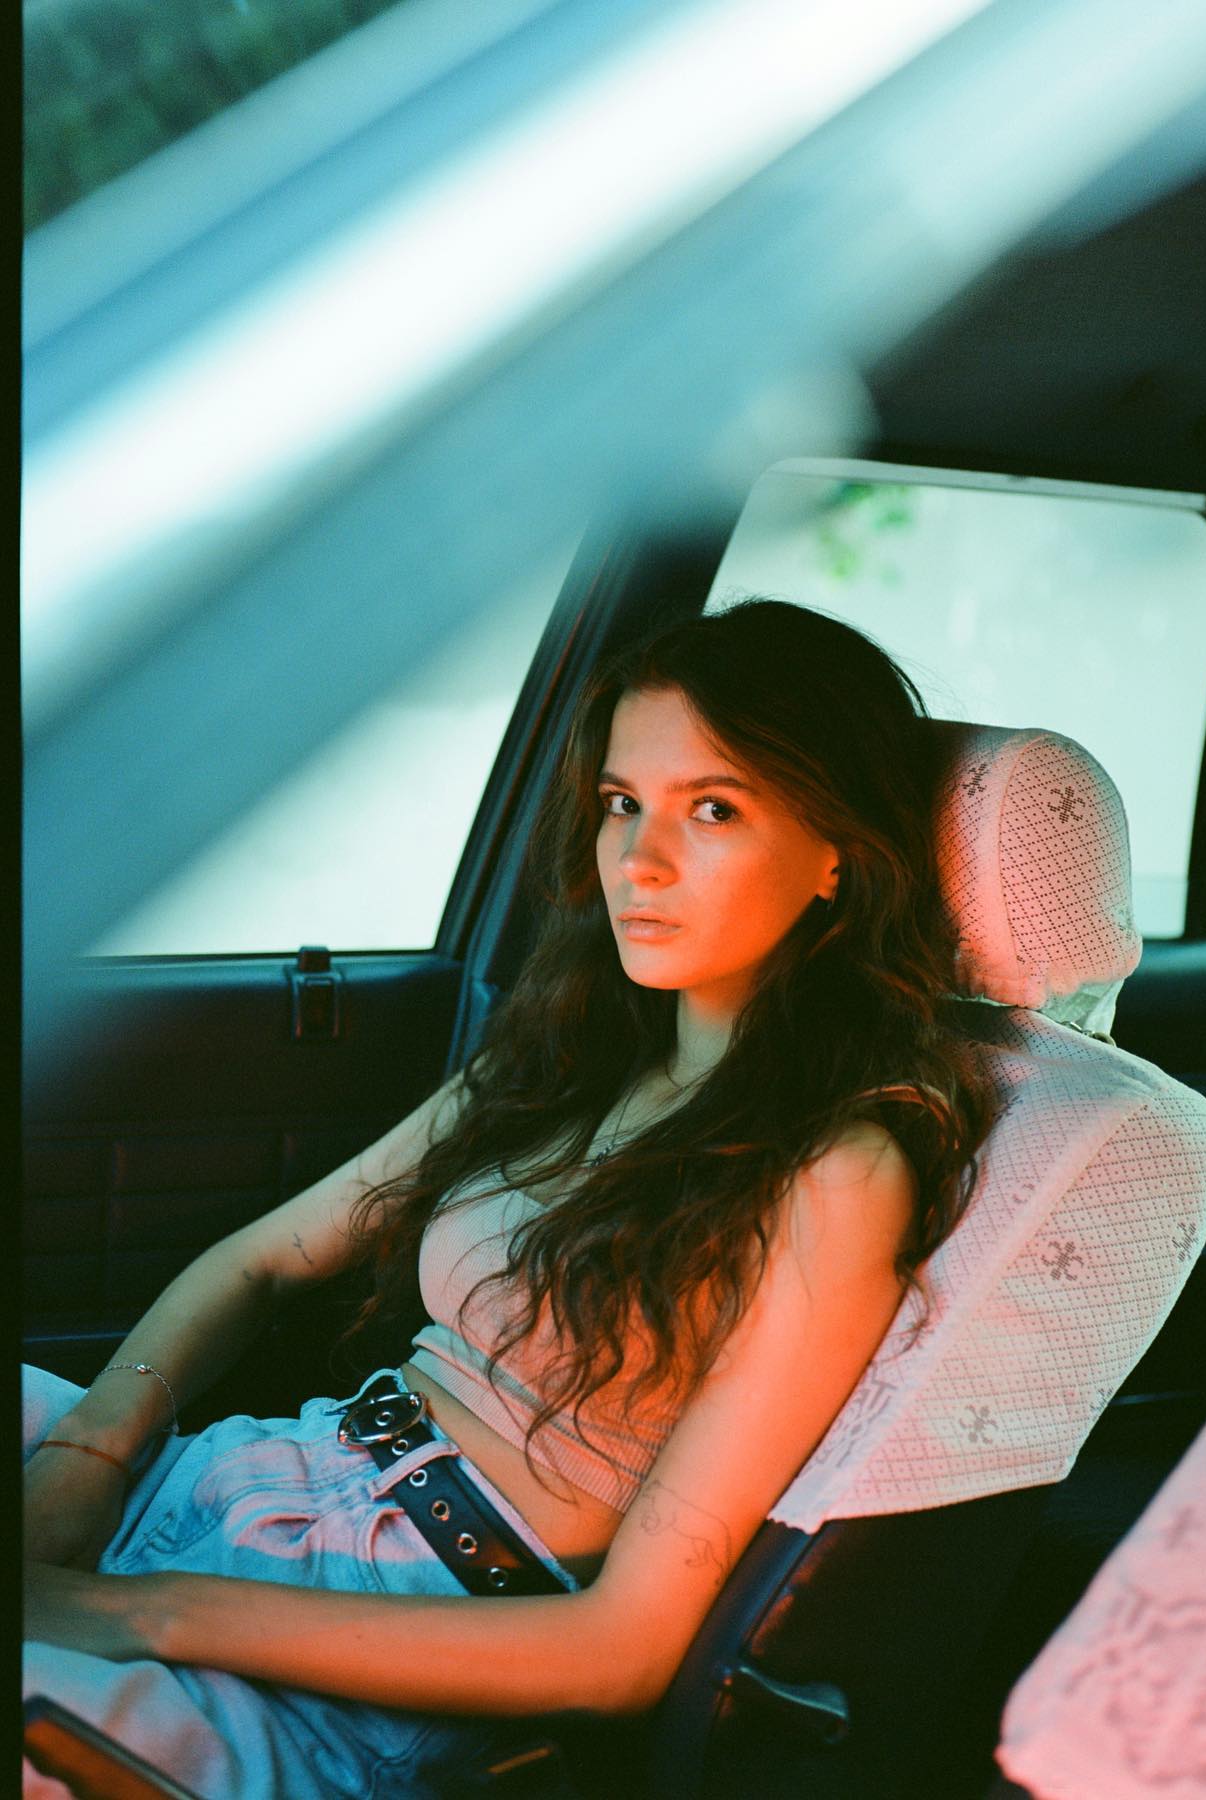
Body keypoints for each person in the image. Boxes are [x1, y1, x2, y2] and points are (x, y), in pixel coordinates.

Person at [23, 599, 991, 1799]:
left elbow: (619, 1653)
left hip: (362, 1658)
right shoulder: (572, 1055)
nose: (639, 859)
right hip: (240, 1480)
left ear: (838, 852)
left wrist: (142, 1613)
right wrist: (89, 1455)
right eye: (621, 803)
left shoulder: (837, 1172)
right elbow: (259, 1261)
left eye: (714, 810)